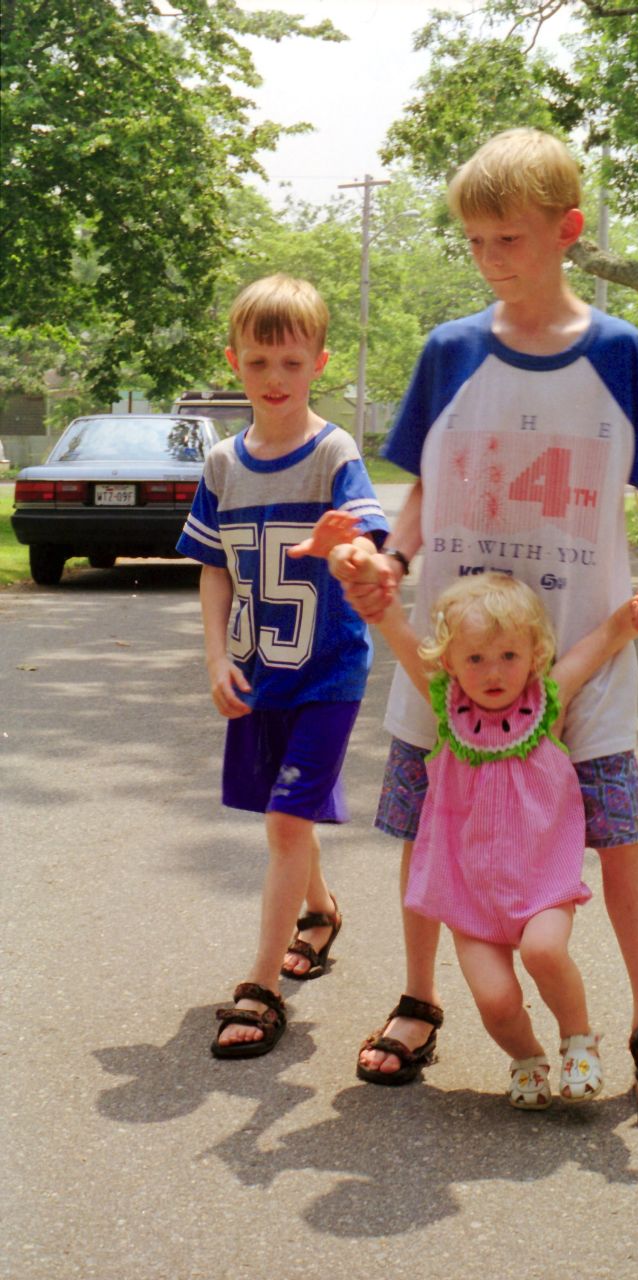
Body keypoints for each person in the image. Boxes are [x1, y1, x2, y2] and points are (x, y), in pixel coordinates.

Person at [343, 128, 638, 1127]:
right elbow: (420, 488)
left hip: (581, 653)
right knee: (428, 819)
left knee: (620, 836)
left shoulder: (616, 350)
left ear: (566, 230)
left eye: (507, 237)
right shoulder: (448, 350)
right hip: (455, 653)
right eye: (474, 240)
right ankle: (419, 999)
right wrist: (392, 563)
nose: (489, 257)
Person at [292, 522, 638, 1107]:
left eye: (509, 656)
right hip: (469, 892)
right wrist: (370, 591)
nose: (493, 672)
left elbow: (601, 641)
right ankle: (527, 1057)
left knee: (543, 952)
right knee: (495, 999)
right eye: (476, 658)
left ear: (534, 655)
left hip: (542, 884)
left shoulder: (547, 701)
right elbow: (398, 631)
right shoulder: (445, 707)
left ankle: (578, 1040)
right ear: (451, 662)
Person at [176, 273, 389, 1059]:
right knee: (284, 811)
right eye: (259, 362)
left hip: (327, 675)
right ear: (234, 361)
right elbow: (213, 567)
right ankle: (321, 913)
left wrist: (347, 548)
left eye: (291, 363)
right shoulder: (222, 464)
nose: (274, 378)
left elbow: (367, 542)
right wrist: (214, 657)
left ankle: (260, 987)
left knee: (284, 820)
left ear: (318, 365)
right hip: (257, 672)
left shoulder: (333, 452)